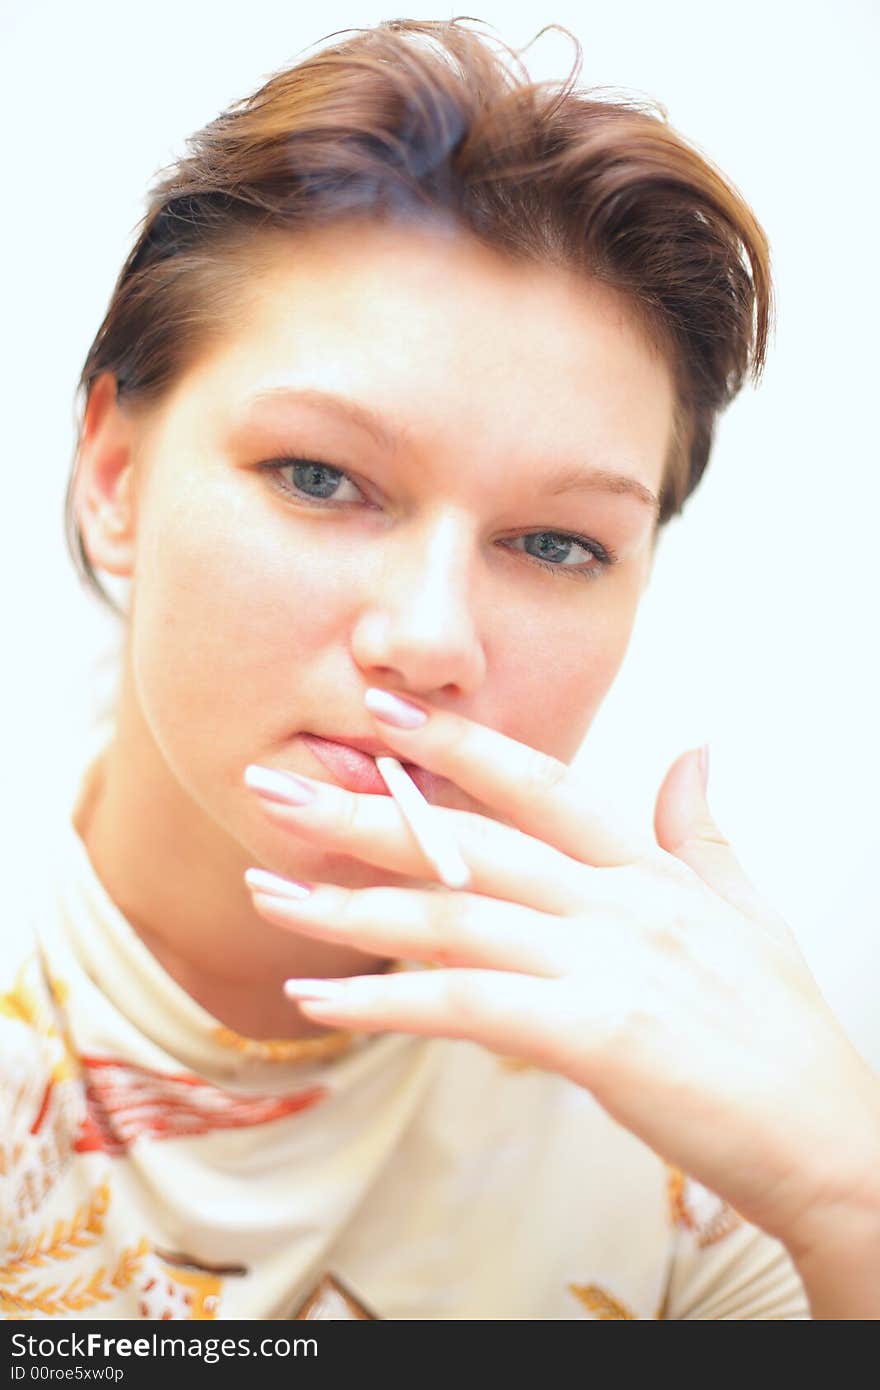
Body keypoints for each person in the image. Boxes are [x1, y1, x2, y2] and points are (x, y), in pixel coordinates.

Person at [2, 16, 878, 1322]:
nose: (430, 639)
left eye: (556, 542)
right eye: (320, 476)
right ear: (116, 475)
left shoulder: (699, 1144)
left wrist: (848, 1197)